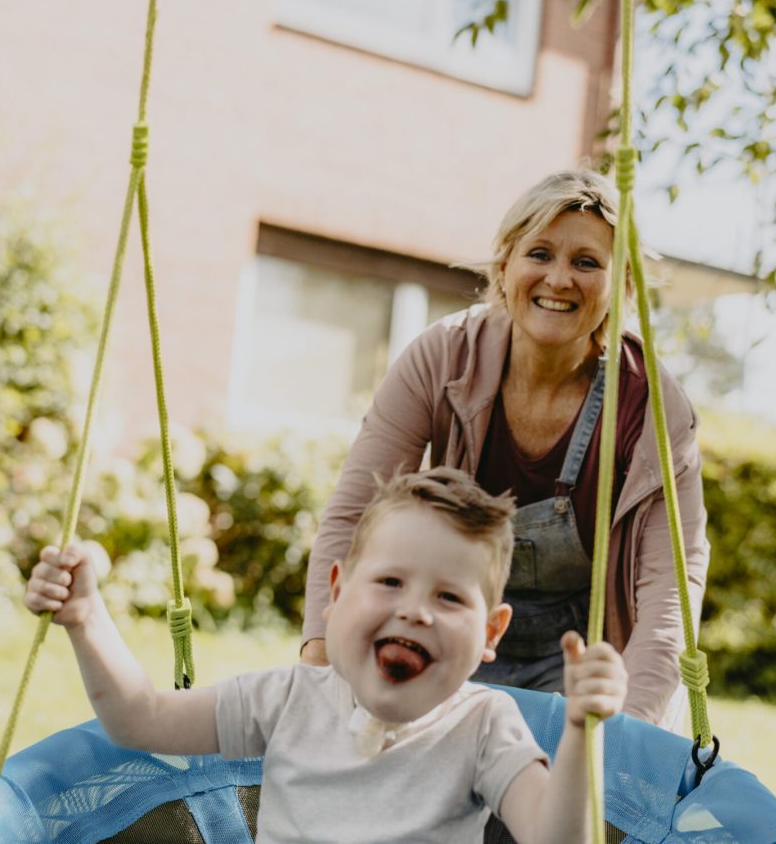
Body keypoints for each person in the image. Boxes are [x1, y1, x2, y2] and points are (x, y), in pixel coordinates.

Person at [300, 169, 708, 733]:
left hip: (583, 657)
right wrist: (320, 668)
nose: (560, 279)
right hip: (447, 632)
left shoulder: (652, 408)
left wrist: (628, 731)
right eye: (539, 253)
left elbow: (670, 587)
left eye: (587, 263)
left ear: (622, 285)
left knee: (566, 806)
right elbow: (352, 516)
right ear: (504, 267)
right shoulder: (441, 360)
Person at [25, 467, 628, 844]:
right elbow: (142, 719)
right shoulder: (287, 698)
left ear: (491, 632)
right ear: (336, 596)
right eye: (390, 583)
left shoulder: (483, 725)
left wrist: (579, 731)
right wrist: (85, 619)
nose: (416, 610)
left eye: (448, 596)